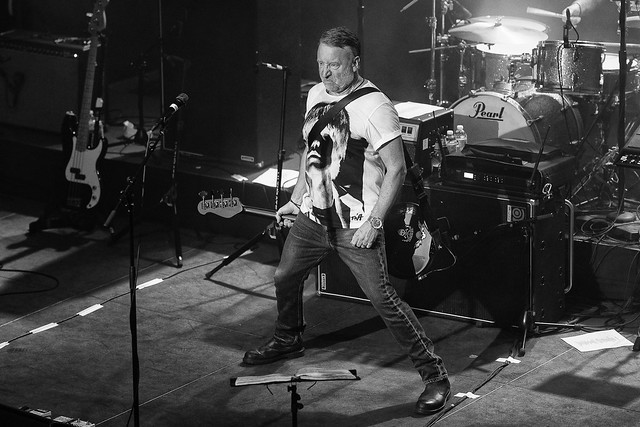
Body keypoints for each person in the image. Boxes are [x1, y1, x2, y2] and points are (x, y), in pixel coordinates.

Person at [242, 26, 451, 416]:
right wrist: (296, 199)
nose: (325, 73)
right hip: (313, 218)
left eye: (334, 65)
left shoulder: (375, 108)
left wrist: (374, 223)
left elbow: (396, 170)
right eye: (320, 63)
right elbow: (312, 151)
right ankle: (288, 338)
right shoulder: (316, 94)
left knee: (384, 301)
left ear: (354, 63)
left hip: (356, 225)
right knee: (285, 276)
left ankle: (435, 376)